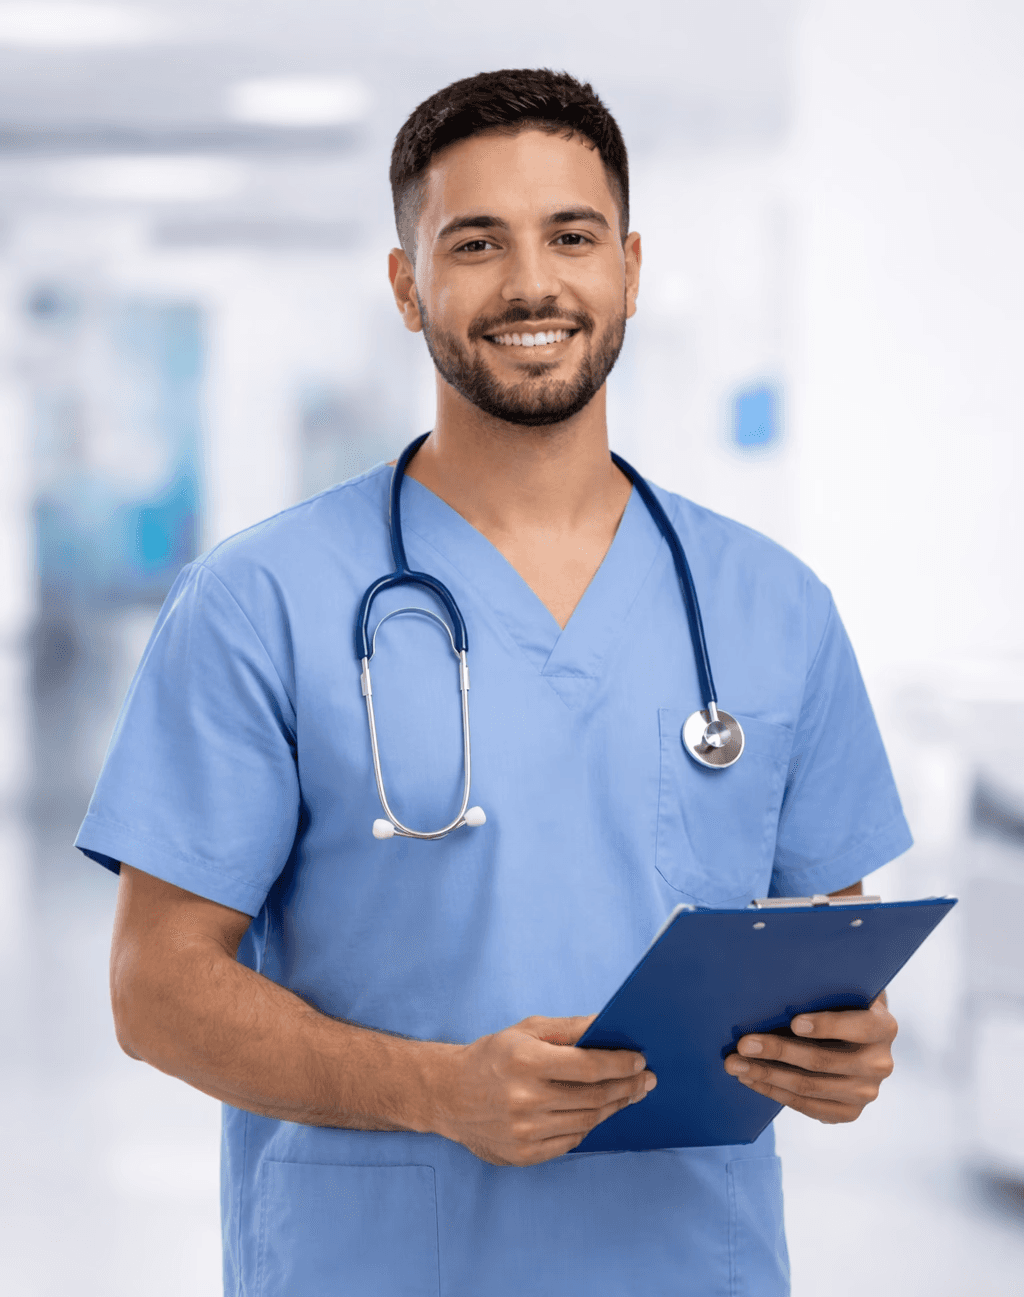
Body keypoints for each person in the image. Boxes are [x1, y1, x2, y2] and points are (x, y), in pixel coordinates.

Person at [77, 69, 912, 1295]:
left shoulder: (773, 607)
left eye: (571, 236)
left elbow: (817, 954)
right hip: (375, 1267)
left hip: (686, 1261)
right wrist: (439, 1090)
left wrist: (844, 1054)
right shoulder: (260, 600)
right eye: (476, 243)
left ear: (628, 266)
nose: (532, 282)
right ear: (408, 286)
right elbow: (156, 990)